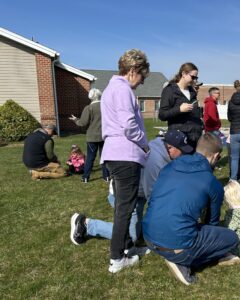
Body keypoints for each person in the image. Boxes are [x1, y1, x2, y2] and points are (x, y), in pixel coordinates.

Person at [143, 133, 239, 286]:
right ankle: (181, 262)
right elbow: (212, 222)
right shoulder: (212, 182)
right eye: (219, 159)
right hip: (177, 243)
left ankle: (175, 252)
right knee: (232, 238)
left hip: (148, 236)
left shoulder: (170, 166)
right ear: (215, 156)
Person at [70, 130, 192, 248]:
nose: (184, 154)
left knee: (138, 231)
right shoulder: (155, 162)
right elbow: (154, 199)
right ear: (170, 147)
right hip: (124, 194)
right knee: (130, 236)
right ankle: (85, 224)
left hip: (137, 194)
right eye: (182, 150)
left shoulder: (161, 147)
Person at [100, 49, 150, 273]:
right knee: (125, 209)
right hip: (125, 155)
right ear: (132, 71)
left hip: (115, 154)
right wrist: (144, 145)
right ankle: (117, 258)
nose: (142, 82)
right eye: (142, 76)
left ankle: (127, 247)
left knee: (123, 207)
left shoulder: (113, 88)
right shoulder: (122, 90)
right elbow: (129, 126)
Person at [158, 62, 203, 149]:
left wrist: (200, 124)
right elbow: (162, 115)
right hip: (179, 140)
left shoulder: (192, 92)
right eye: (192, 77)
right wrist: (179, 109)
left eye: (196, 78)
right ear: (183, 74)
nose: (194, 80)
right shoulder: (170, 90)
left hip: (194, 139)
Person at [69, 88, 110, 183]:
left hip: (92, 138)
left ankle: (86, 177)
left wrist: (75, 120)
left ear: (91, 97)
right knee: (104, 157)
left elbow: (82, 123)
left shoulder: (89, 108)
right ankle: (106, 176)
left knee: (90, 157)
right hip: (105, 136)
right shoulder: (106, 106)